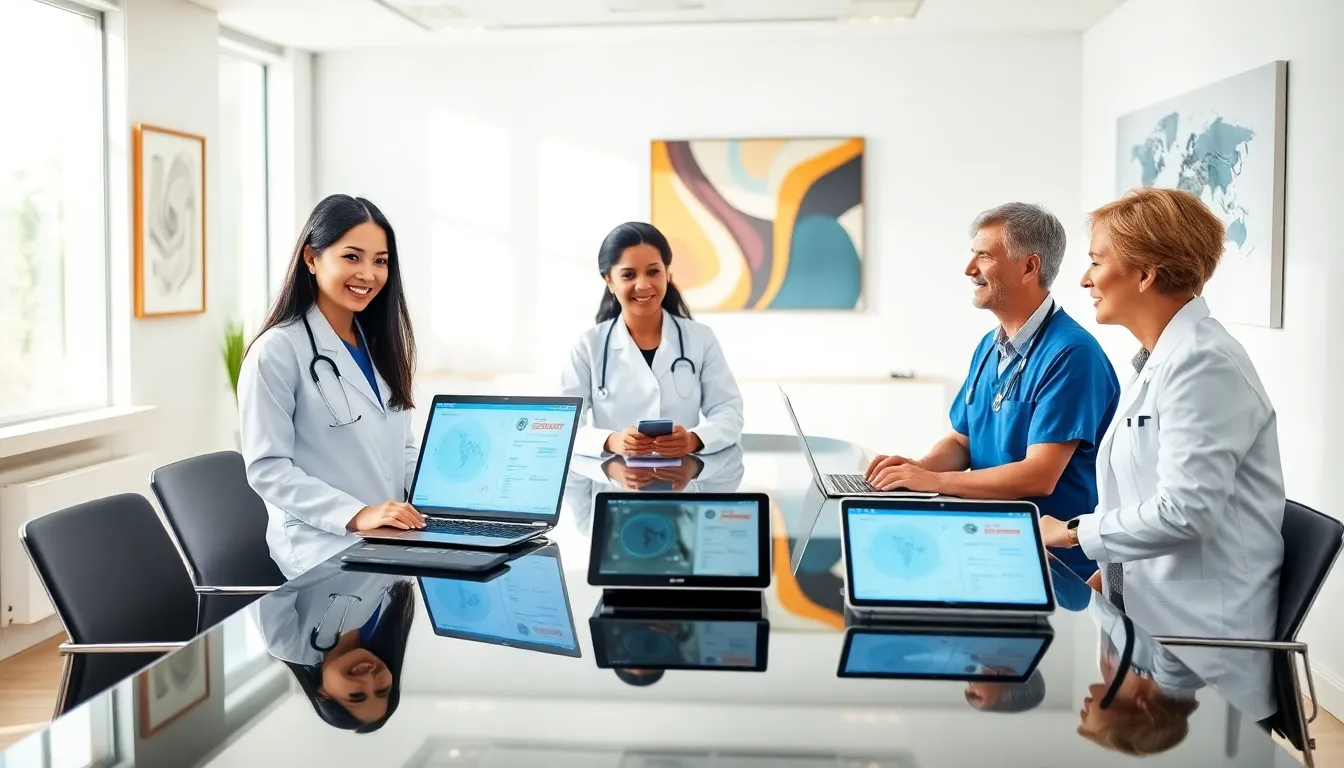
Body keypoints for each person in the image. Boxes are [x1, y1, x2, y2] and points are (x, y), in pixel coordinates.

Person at [1041, 187, 1285, 723]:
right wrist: (1109, 570)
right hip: (1149, 625)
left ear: (1146, 274)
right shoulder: (1158, 359)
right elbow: (1143, 490)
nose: (1083, 280)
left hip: (1199, 651)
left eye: (1096, 263)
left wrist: (1073, 532)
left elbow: (1186, 512)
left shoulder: (1203, 363)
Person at [865, 203, 1120, 577]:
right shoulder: (989, 345)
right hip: (991, 546)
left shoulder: (1072, 354)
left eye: (983, 256)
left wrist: (934, 482)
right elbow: (961, 442)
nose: (970, 270)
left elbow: (1039, 475)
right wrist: (914, 470)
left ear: (1029, 267)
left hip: (1055, 567)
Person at [238, 195, 426, 579]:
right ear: (311, 258)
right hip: (321, 547)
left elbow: (401, 449)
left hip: (387, 537)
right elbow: (268, 469)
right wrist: (357, 515)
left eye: (380, 261)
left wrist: (451, 499)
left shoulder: (379, 347)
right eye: (352, 257)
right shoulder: (277, 351)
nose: (368, 274)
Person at [560, 222, 744, 459]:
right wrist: (611, 441)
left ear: (667, 273)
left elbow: (729, 411)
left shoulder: (701, 339)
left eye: (653, 271)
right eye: (628, 275)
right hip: (615, 486)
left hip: (682, 483)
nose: (643, 285)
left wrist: (694, 440)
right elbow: (564, 423)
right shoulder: (588, 346)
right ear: (609, 280)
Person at [253, 570, 416, 732]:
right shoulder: (390, 616)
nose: (369, 680)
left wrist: (354, 551)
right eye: (382, 690)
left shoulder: (285, 642)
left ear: (324, 694)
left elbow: (268, 570)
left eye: (357, 695)